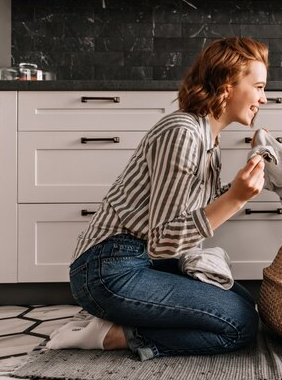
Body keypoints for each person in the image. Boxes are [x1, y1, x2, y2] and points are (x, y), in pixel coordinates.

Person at [46, 37, 269, 360]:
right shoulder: (182, 132)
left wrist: (243, 188)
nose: (263, 98)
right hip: (108, 269)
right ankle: (110, 334)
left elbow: (183, 218)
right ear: (226, 85)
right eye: (259, 86)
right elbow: (163, 240)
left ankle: (122, 316)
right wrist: (235, 199)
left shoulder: (209, 140)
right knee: (239, 324)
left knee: (246, 304)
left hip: (144, 260)